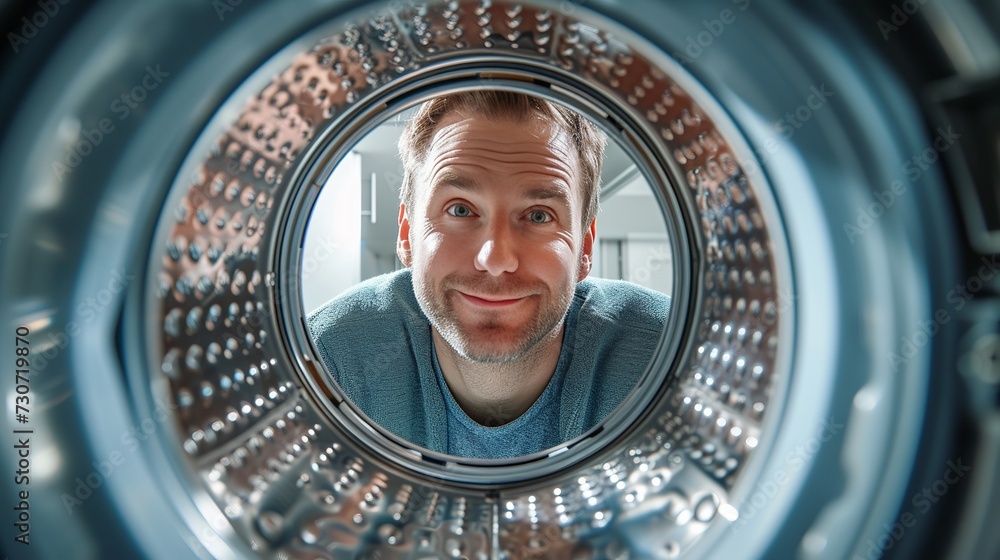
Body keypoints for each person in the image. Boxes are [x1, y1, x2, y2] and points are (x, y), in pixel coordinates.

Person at [307, 91, 670, 459]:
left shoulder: (670, 357)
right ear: (407, 234)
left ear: (585, 248)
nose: (495, 258)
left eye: (539, 215)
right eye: (461, 210)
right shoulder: (330, 361)